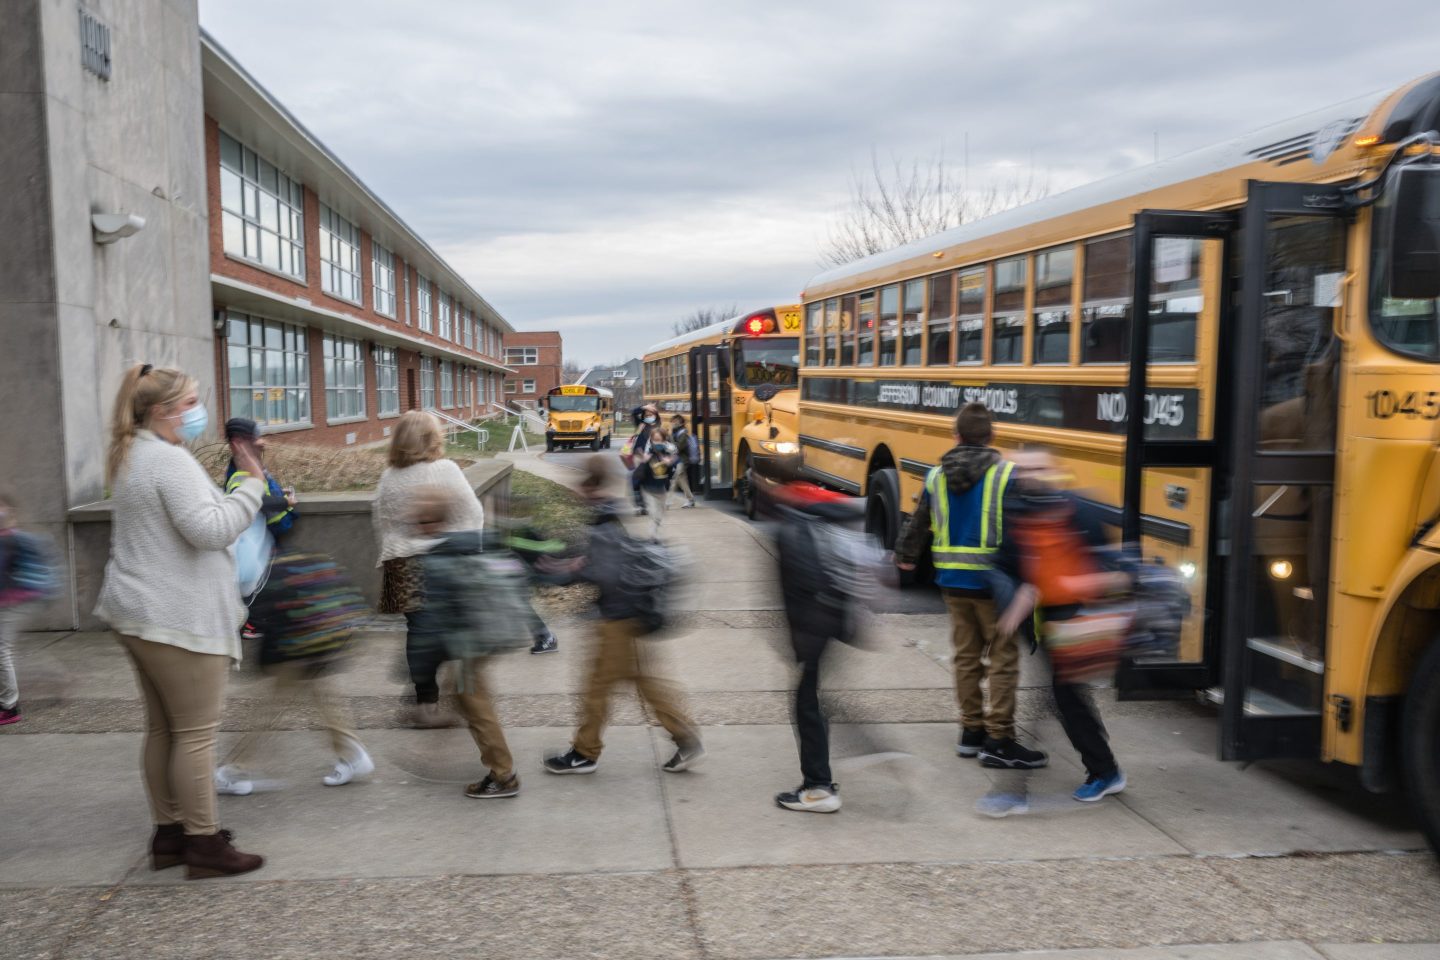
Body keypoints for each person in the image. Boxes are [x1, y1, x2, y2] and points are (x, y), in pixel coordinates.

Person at [95, 363, 266, 879]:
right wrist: (253, 485)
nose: (198, 411)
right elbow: (209, 531)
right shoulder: (168, 460)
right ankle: (204, 845)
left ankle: (169, 836)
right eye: (191, 402)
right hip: (176, 617)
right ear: (163, 411)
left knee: (163, 730)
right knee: (194, 735)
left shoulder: (132, 452)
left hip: (139, 612)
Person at [894, 402, 1046, 770]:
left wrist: (906, 556)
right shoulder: (1007, 474)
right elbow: (1023, 530)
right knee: (1002, 661)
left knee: (965, 657)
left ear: (956, 436)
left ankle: (970, 731)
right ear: (991, 436)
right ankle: (1000, 738)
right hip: (995, 585)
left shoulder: (935, 476)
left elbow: (919, 523)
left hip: (952, 582)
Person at [540, 456, 703, 776]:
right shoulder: (609, 513)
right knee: (648, 682)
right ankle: (686, 739)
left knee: (596, 687)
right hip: (630, 615)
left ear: (589, 486)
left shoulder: (602, 518)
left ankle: (584, 752)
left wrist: (571, 569)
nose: (576, 491)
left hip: (617, 618)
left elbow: (606, 571)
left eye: (581, 484)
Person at [992, 449, 1129, 803]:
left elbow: (1108, 570)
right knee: (1066, 698)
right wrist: (1011, 613)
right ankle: (1102, 768)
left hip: (1079, 622)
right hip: (1047, 625)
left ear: (1054, 471)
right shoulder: (1018, 512)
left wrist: (1075, 585)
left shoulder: (1081, 510)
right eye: (1023, 469)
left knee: (1065, 697)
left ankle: (1104, 771)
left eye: (1037, 467)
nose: (1030, 474)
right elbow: (1013, 568)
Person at [373, 410, 485, 728]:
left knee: (419, 635)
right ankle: (452, 695)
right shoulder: (445, 470)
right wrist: (470, 553)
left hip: (400, 563)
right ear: (432, 438)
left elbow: (378, 519)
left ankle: (424, 700)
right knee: (454, 632)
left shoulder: (388, 476)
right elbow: (473, 513)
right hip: (442, 562)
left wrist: (389, 554)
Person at [408, 486, 521, 799]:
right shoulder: (468, 545)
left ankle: (503, 775)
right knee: (466, 697)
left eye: (421, 521)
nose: (418, 526)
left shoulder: (438, 560)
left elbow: (434, 621)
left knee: (475, 704)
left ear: (432, 523)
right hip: (483, 639)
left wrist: (419, 664)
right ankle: (498, 768)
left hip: (468, 644)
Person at [770, 479, 867, 813]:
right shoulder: (826, 523)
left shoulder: (795, 527)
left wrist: (801, 640)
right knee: (813, 701)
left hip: (814, 631)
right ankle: (822, 779)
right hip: (832, 627)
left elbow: (805, 585)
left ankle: (818, 788)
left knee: (807, 704)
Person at [0, 493, 59, 726]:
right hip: (15, 599)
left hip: (16, 600)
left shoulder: (10, 540)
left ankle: (9, 706)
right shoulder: (9, 538)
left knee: (2, 648)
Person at [638, 427, 678, 539]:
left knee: (659, 514)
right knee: (652, 512)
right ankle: (653, 534)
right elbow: (638, 475)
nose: (657, 442)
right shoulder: (648, 453)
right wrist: (643, 461)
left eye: (659, 440)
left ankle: (655, 530)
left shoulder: (668, 453)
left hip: (661, 489)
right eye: (654, 440)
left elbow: (672, 474)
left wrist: (669, 463)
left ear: (664, 440)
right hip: (648, 489)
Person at [668, 414, 697, 508]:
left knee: (675, 479)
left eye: (676, 421)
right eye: (673, 421)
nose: (674, 423)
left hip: (683, 461)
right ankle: (690, 499)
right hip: (677, 460)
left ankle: (668, 501)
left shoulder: (683, 433)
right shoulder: (676, 433)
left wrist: (671, 436)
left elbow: (678, 447)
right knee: (682, 480)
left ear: (681, 422)